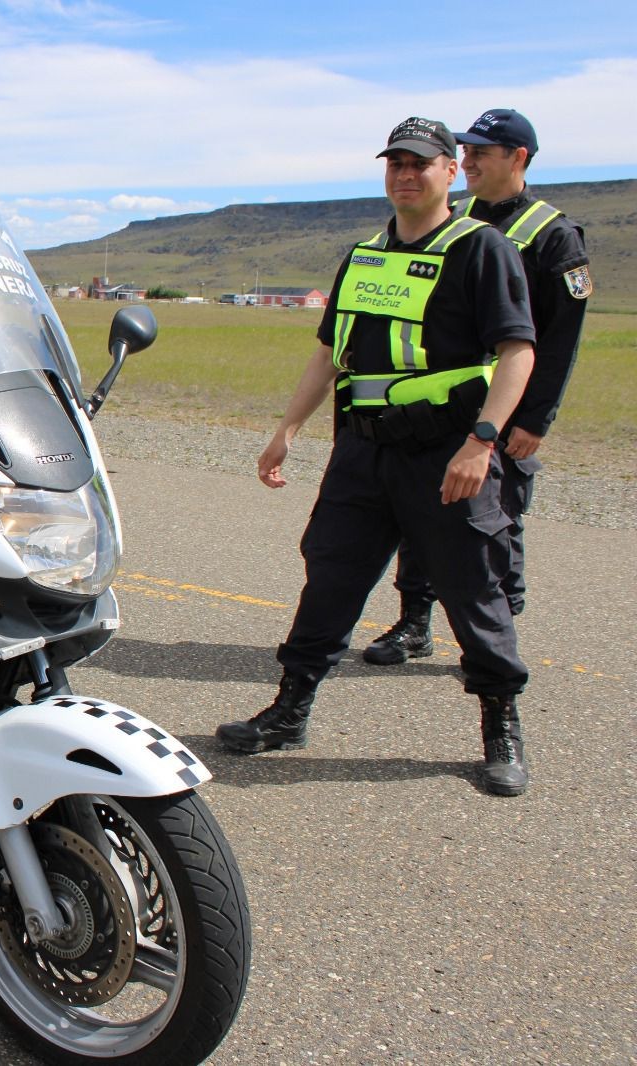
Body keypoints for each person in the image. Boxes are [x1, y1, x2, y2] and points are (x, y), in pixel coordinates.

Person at [214, 118, 538, 797]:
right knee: (329, 578)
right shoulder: (364, 254)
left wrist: (481, 442)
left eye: (420, 163)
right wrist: (288, 430)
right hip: (362, 452)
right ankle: (289, 710)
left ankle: (500, 727)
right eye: (394, 163)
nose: (405, 174)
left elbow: (518, 353)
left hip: (446, 455)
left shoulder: (481, 250)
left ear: (451, 170)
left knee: (473, 591)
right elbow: (332, 352)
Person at [363, 108, 592, 665]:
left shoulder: (551, 235)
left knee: (495, 523)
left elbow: (558, 340)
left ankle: (496, 633)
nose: (467, 163)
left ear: (518, 158)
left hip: (504, 405)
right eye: (463, 153)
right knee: (422, 512)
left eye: (480, 154)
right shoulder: (453, 219)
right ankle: (414, 623)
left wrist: (534, 420)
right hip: (443, 401)